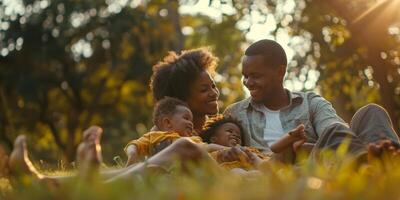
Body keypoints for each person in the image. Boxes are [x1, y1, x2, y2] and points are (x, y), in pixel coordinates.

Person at [224, 39, 400, 162]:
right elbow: (221, 148)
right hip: (285, 167)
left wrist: (308, 149)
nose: (248, 83)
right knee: (336, 135)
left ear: (280, 72)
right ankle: (370, 161)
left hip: (325, 158)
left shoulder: (310, 103)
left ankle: (386, 158)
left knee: (371, 111)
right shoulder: (236, 113)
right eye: (245, 76)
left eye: (255, 76)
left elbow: (334, 132)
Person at [124, 97, 225, 166]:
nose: (191, 123)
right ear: (167, 122)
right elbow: (134, 145)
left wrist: (226, 150)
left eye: (191, 120)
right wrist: (132, 154)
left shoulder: (193, 140)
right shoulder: (155, 136)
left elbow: (208, 149)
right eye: (186, 118)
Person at [200, 114, 306, 170]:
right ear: (213, 138)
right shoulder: (212, 150)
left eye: (239, 135)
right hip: (239, 173)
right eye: (229, 131)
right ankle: (286, 144)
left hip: (263, 165)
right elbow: (204, 149)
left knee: (278, 159)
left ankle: (288, 142)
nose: (235, 135)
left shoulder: (249, 150)